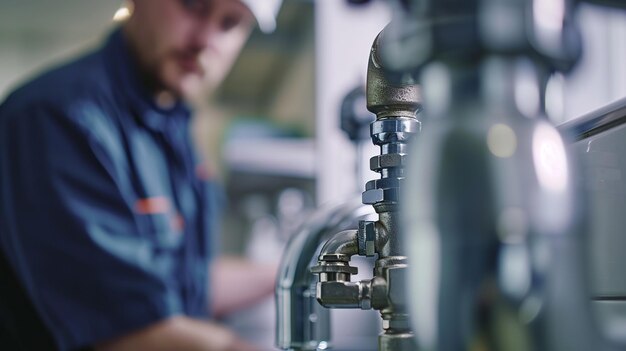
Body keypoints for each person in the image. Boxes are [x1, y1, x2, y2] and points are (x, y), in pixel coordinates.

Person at [0, 0, 281, 350]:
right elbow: (126, 331)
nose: (206, 39)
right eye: (193, 5)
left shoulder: (171, 122)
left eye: (230, 24)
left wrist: (295, 270)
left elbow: (183, 283)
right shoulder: (57, 118)